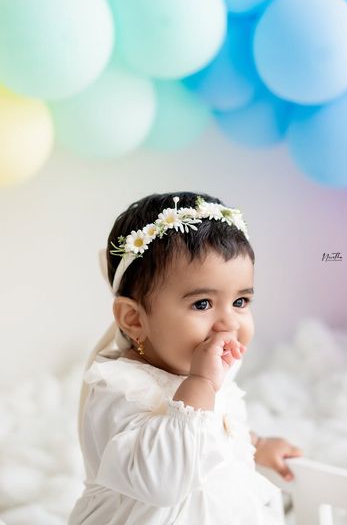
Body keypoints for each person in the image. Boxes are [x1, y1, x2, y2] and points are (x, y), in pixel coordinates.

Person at [68, 191, 303, 525]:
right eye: (202, 304)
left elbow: (216, 434)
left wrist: (257, 444)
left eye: (240, 302)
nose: (229, 323)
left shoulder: (208, 374)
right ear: (134, 319)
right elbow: (164, 483)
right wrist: (201, 384)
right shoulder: (117, 389)